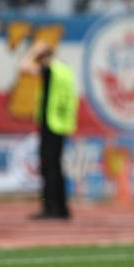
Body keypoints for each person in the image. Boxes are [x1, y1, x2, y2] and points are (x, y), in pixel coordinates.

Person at [20, 41, 79, 220]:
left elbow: (23, 68)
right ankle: (61, 208)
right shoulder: (64, 69)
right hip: (62, 123)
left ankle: (50, 208)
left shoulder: (50, 70)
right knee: (57, 168)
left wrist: (33, 51)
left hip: (51, 123)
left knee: (49, 168)